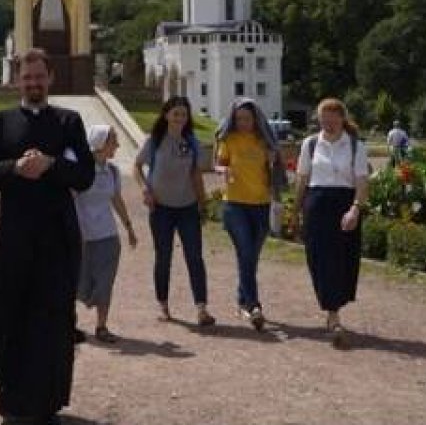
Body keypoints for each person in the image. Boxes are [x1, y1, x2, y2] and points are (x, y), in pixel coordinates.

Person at [0, 48, 96, 425]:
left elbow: (86, 175)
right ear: (17, 80)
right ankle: (10, 399)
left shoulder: (69, 122)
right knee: (3, 313)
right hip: (12, 234)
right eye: (27, 77)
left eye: (39, 77)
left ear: (50, 79)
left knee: (53, 320)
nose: (33, 83)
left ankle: (47, 403)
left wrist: (51, 165)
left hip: (57, 237)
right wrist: (15, 168)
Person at [133, 96, 215, 327]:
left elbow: (197, 175)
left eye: (184, 114)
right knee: (164, 257)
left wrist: (203, 203)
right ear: (166, 115)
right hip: (160, 209)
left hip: (187, 207)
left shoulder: (192, 142)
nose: (179, 118)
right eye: (176, 113)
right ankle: (163, 304)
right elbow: (137, 166)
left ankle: (201, 308)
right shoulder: (155, 140)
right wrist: (144, 190)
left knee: (195, 257)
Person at [294, 98, 369, 347]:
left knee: (342, 260)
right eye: (323, 117)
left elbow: (361, 182)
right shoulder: (311, 144)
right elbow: (302, 178)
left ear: (341, 118)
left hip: (344, 205)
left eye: (332, 117)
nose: (327, 122)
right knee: (318, 259)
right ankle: (333, 313)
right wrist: (295, 209)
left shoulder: (356, 146)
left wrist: (355, 209)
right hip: (316, 205)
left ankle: (333, 311)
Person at [213, 98, 286, 331]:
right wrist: (223, 169)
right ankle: (254, 306)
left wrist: (275, 163)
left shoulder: (266, 141)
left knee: (250, 257)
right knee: (245, 251)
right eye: (238, 119)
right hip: (235, 204)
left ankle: (242, 299)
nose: (243, 123)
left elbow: (276, 172)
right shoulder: (229, 139)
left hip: (261, 204)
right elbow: (218, 163)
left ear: (256, 118)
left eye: (247, 118)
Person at [74, 124, 137, 343]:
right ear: (100, 144)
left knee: (105, 282)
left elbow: (116, 199)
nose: (117, 146)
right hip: (82, 237)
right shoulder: (80, 170)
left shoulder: (112, 171)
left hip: (108, 236)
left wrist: (128, 227)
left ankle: (101, 326)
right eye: (114, 142)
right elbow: (71, 201)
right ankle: (68, 324)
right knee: (75, 281)